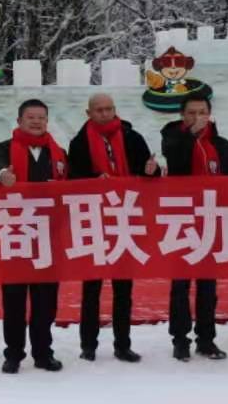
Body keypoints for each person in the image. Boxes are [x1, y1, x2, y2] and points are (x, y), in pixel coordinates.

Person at [66, 93, 161, 363]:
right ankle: (88, 345)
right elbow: (73, 178)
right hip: (94, 220)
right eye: (99, 110)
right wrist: (96, 179)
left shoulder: (133, 138)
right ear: (89, 113)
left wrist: (153, 170)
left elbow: (148, 173)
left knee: (123, 289)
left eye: (109, 109)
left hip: (125, 218)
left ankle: (123, 345)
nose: (105, 114)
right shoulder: (79, 142)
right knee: (91, 288)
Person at [0, 100, 68, 374]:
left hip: (48, 236)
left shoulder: (59, 153)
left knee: (46, 301)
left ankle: (43, 353)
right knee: (14, 299)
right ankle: (13, 354)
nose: (36, 122)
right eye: (31, 117)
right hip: (15, 233)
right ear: (20, 120)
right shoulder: (4, 148)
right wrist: (3, 175)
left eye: (41, 117)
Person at [160, 96, 228, 361]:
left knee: (208, 284)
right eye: (191, 113)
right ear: (182, 115)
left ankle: (206, 339)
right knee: (180, 284)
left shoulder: (222, 145)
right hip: (182, 218)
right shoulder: (172, 138)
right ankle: (180, 339)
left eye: (202, 112)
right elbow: (176, 159)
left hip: (212, 218)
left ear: (210, 113)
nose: (197, 117)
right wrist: (191, 136)